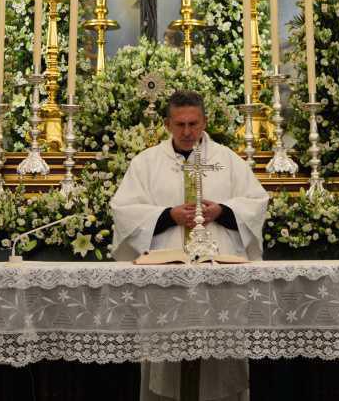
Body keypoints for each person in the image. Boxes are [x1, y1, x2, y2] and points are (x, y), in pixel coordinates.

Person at [111, 89, 268, 401]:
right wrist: (167, 216)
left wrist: (222, 211)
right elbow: (123, 210)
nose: (187, 132)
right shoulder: (147, 163)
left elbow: (257, 202)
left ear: (204, 122)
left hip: (218, 279)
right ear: (167, 124)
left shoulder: (228, 161)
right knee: (165, 366)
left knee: (220, 365)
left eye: (193, 124)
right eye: (180, 124)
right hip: (166, 280)